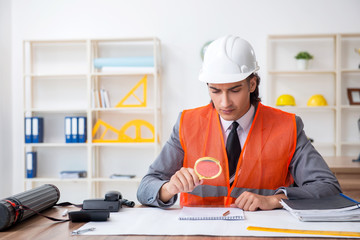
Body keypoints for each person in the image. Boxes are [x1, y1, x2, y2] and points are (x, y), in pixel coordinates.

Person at [137, 35, 341, 211]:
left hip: (264, 233)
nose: (224, 102)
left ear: (252, 84)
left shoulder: (288, 126)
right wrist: (169, 188)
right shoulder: (186, 123)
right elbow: (145, 187)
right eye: (215, 90)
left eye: (235, 90)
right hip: (198, 233)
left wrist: (276, 200)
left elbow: (328, 188)